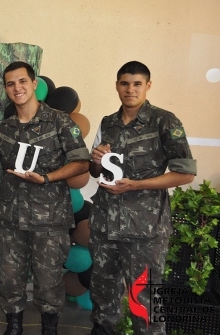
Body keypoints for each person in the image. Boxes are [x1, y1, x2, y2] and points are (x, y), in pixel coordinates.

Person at [88, 61, 196, 335]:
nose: (130, 89)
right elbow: (94, 171)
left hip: (144, 230)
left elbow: (185, 174)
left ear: (148, 85)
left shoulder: (165, 121)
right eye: (124, 83)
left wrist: (136, 185)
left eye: (137, 84)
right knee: (102, 295)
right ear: (117, 86)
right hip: (105, 226)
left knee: (144, 302)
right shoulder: (107, 123)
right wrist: (97, 160)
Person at [0, 61, 90, 335]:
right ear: (6, 89)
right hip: (11, 219)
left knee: (49, 282)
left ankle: (49, 329)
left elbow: (82, 163)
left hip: (49, 221)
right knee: (10, 279)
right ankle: (14, 327)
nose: (17, 88)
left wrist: (48, 178)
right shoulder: (4, 129)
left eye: (22, 81)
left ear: (34, 84)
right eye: (10, 83)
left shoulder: (60, 122)